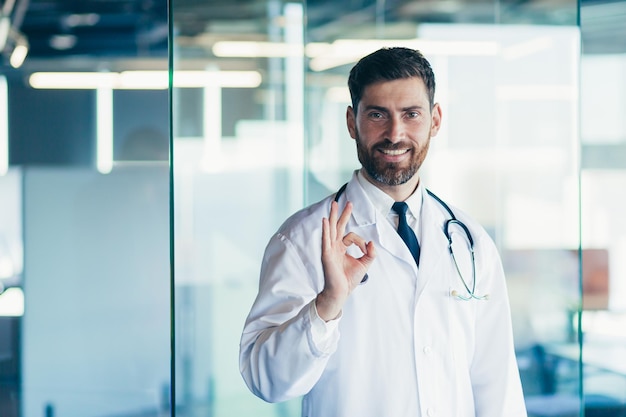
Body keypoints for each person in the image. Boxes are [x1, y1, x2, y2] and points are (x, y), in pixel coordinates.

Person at [239, 47, 527, 417]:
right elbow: (267, 381)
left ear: (435, 120)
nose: (395, 133)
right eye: (377, 115)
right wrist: (327, 305)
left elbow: (497, 384)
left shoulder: (470, 242)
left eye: (411, 114)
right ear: (351, 122)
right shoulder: (302, 239)